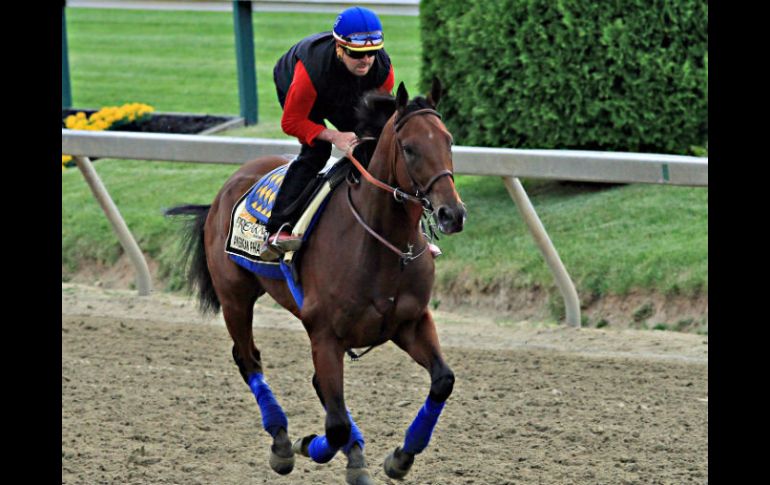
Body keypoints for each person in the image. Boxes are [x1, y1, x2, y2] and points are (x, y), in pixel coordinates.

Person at [263, 6, 395, 253]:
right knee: (318, 151)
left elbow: (378, 124)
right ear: (339, 48)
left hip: (344, 90)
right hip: (304, 88)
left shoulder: (382, 70)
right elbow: (290, 122)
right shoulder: (309, 71)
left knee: (371, 146)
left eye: (372, 53)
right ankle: (277, 229)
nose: (366, 60)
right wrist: (334, 136)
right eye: (357, 53)